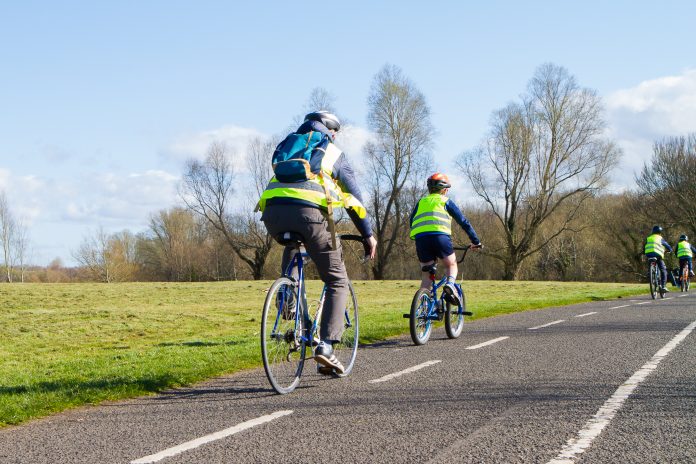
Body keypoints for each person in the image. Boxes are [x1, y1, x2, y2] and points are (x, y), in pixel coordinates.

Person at [258, 111, 377, 375]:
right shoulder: (333, 152)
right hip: (310, 215)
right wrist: (368, 235)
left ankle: (288, 299)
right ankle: (326, 346)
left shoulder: (289, 145)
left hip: (273, 214)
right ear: (332, 132)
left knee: (294, 249)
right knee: (337, 279)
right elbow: (354, 201)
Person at [409, 173, 481, 306]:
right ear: (445, 190)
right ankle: (450, 285)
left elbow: (411, 220)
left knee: (426, 276)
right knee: (451, 264)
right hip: (440, 237)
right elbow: (463, 221)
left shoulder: (421, 202)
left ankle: (423, 308)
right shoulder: (445, 201)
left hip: (421, 240)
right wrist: (475, 241)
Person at [644, 225, 673, 292]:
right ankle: (663, 286)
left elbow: (645, 245)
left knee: (650, 262)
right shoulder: (660, 238)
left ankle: (649, 272)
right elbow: (667, 246)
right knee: (663, 270)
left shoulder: (648, 238)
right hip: (657, 254)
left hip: (649, 254)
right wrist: (670, 250)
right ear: (660, 232)